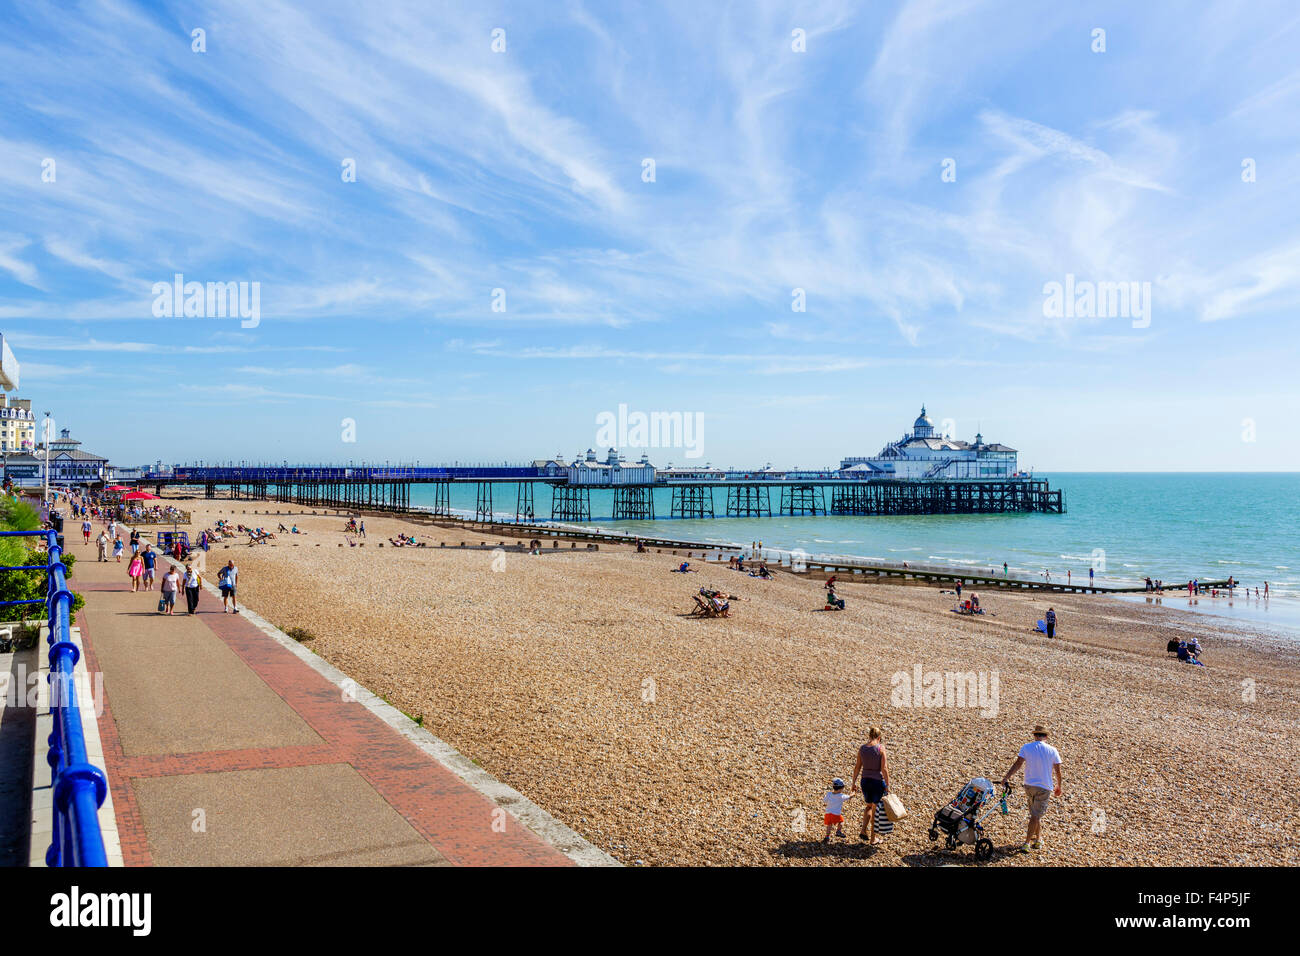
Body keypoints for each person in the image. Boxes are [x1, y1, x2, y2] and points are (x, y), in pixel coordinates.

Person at [1001, 724, 1062, 853]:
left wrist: (1006, 777)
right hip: (1044, 787)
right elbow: (1057, 771)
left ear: (1035, 735)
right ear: (1046, 736)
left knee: (1035, 814)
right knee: (1035, 815)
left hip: (1029, 785)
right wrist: (1059, 786)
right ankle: (1027, 843)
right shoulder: (1052, 750)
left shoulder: (1026, 747)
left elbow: (1018, 764)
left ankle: (1038, 839)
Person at [851, 727, 890, 844]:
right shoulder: (880, 748)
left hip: (865, 781)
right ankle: (873, 839)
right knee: (875, 810)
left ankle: (863, 830)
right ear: (879, 738)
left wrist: (853, 783)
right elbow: (884, 768)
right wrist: (887, 785)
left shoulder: (862, 749)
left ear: (869, 736)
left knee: (868, 806)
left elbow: (857, 767)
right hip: (877, 782)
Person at [822, 778, 854, 843]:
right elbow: (850, 797)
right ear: (841, 788)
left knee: (829, 825)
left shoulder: (829, 794)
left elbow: (824, 801)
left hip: (828, 813)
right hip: (836, 814)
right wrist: (854, 792)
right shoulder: (841, 796)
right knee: (841, 821)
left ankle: (827, 837)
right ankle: (838, 831)